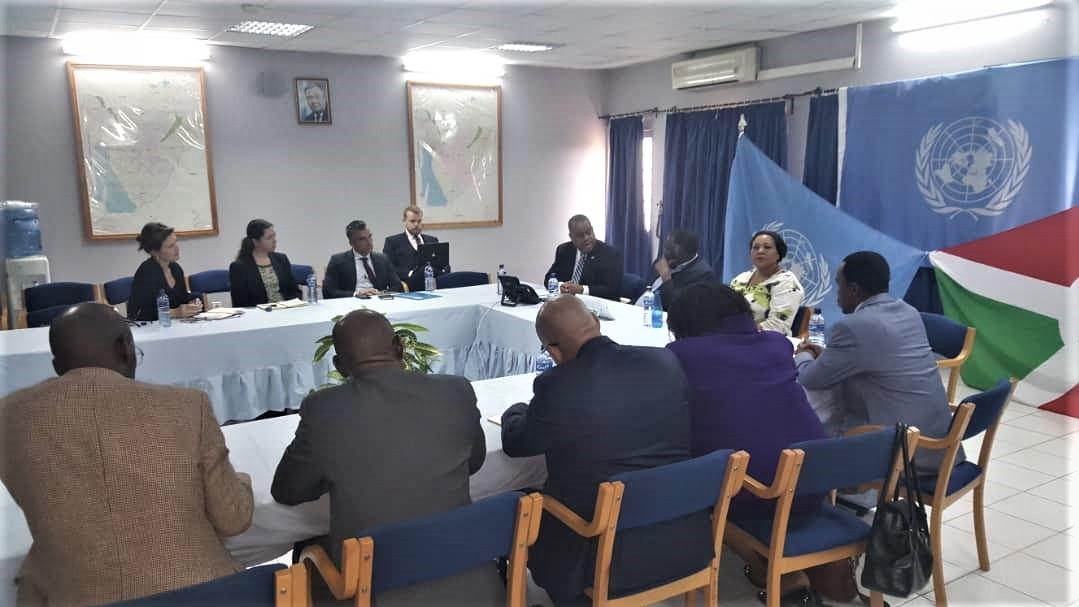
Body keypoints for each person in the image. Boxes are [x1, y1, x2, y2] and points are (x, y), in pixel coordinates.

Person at [0, 303, 253, 606]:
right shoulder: (185, 406)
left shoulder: (9, 417)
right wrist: (242, 480)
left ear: (57, 365)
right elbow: (233, 519)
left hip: (65, 594)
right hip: (199, 593)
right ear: (125, 348)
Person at [272, 309, 497, 606]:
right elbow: (474, 462)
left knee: (310, 545)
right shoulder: (456, 390)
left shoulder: (324, 409)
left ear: (339, 366)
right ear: (400, 347)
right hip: (471, 582)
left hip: (374, 588)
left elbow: (288, 491)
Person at [501, 296, 712, 605]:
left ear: (554, 351)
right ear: (596, 325)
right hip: (684, 534)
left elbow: (518, 444)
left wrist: (515, 412)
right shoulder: (664, 362)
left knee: (519, 504)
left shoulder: (557, 385)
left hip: (602, 547)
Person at [666, 283, 845, 605]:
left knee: (687, 485)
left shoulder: (679, 356)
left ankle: (773, 570)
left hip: (753, 491)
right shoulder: (777, 345)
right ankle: (802, 567)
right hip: (813, 480)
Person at [795, 251, 961, 473]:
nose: (837, 294)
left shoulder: (853, 326)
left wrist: (803, 353)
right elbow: (875, 355)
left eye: (839, 285)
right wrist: (826, 353)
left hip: (904, 449)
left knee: (805, 421)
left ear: (853, 290)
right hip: (937, 440)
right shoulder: (908, 311)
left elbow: (810, 378)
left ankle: (808, 491)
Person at [730, 230, 804, 335]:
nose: (760, 251)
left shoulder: (787, 282)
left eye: (767, 247)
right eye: (755, 247)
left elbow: (777, 326)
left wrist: (740, 333)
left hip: (766, 341)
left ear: (779, 254)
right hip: (733, 338)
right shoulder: (740, 279)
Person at [127, 222, 203, 321]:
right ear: (154, 252)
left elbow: (182, 298)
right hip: (150, 330)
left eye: (176, 242)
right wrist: (175, 312)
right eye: (170, 246)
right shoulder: (146, 273)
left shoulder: (175, 268)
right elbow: (142, 312)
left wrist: (192, 303)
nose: (177, 248)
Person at [546, 215, 623, 301]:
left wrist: (582, 289)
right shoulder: (564, 250)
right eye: (580, 235)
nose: (586, 238)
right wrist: (561, 286)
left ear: (592, 230)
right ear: (571, 237)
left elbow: (612, 290)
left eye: (588, 232)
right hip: (566, 303)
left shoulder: (610, 254)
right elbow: (549, 278)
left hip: (595, 306)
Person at [228, 219, 303, 307]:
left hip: (286, 311)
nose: (274, 240)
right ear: (256, 242)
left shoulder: (281, 259)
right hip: (259, 315)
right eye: (269, 238)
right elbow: (240, 302)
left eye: (274, 236)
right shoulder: (239, 267)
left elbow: (294, 290)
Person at [322, 220, 403, 298]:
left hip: (378, 300)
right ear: (351, 243)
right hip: (351, 302)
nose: (369, 242)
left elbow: (397, 286)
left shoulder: (383, 259)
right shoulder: (338, 261)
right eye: (362, 239)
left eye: (370, 237)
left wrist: (381, 293)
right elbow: (328, 291)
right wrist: (356, 294)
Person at [651, 229, 715, 311]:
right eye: (666, 247)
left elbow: (679, 305)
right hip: (642, 306)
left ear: (687, 252)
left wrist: (666, 278)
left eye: (670, 249)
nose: (665, 253)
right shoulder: (665, 261)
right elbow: (649, 287)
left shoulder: (703, 274)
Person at [382, 205, 443, 291]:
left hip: (433, 284)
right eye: (412, 221)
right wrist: (410, 273)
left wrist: (443, 270)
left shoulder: (432, 240)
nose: (416, 224)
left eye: (419, 221)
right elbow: (388, 267)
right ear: (404, 221)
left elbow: (442, 262)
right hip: (408, 285)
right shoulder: (393, 242)